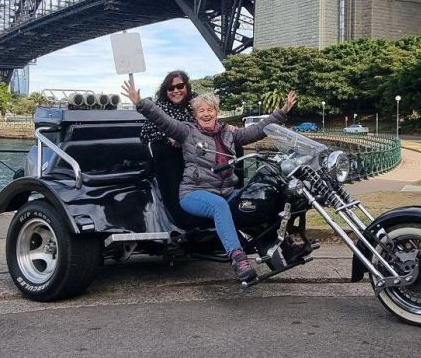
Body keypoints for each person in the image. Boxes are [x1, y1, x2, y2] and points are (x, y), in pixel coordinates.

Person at [122, 79, 296, 283]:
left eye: (210, 110)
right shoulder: (187, 132)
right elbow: (162, 120)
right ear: (195, 115)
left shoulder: (229, 133)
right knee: (219, 206)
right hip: (194, 193)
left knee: (260, 197)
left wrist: (282, 112)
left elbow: (257, 130)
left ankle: (282, 244)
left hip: (226, 191)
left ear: (217, 111)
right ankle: (238, 259)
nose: (206, 114)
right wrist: (141, 103)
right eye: (201, 111)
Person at [140, 71, 195, 146]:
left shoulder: (198, 105)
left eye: (180, 86)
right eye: (171, 88)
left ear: (187, 86)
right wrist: (169, 138)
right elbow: (145, 135)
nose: (175, 91)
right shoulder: (158, 108)